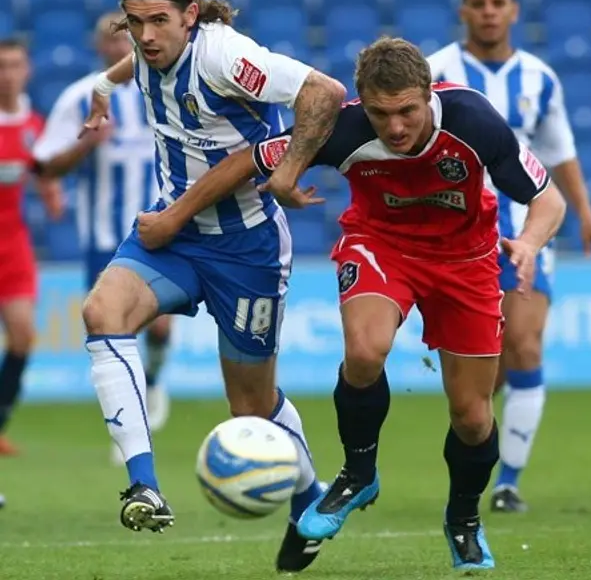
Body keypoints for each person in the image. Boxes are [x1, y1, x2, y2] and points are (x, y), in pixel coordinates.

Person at [134, 37, 567, 572]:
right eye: (382, 114)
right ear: (363, 101)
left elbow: (548, 198)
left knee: (473, 417)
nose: (396, 127)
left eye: (408, 110)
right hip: (380, 244)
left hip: (467, 260)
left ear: (429, 94)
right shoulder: (344, 128)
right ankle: (358, 475)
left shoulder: (474, 121)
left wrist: (528, 242)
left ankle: (463, 520)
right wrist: (178, 214)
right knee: (365, 352)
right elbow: (251, 159)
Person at [78, 0, 345, 573]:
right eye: (135, 21)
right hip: (171, 234)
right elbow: (132, 63)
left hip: (246, 249)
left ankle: (309, 501)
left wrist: (288, 169)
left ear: (190, 16)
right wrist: (101, 87)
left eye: (159, 21)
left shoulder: (225, 57)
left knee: (250, 408)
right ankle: (143, 484)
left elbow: (324, 92)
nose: (146, 35)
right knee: (102, 310)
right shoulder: (147, 52)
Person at [427, 0, 591, 513]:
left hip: (526, 229)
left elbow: (560, 152)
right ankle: (476, 433)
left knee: (525, 343)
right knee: (485, 368)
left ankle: (507, 482)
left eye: (498, 4)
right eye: (478, 4)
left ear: (514, 11)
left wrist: (587, 216)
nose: (488, 12)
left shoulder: (540, 79)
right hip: (457, 236)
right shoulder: (437, 72)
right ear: (463, 12)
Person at [33, 11, 172, 464]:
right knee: (117, 327)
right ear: (100, 49)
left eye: (127, 39)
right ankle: (132, 425)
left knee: (162, 324)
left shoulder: (166, 89)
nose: (121, 48)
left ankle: (151, 384)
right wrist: (85, 145)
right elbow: (46, 165)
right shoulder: (80, 98)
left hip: (160, 227)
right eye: (112, 42)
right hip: (104, 237)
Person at [0, 38, 63, 455]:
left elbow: (47, 175)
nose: (8, 73)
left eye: (15, 65)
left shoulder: (35, 127)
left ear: (28, 71)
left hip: (13, 244)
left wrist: (51, 191)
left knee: (22, 335)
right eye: (1, 65)